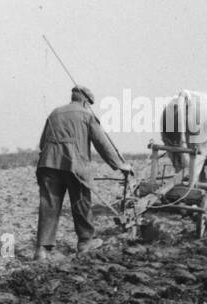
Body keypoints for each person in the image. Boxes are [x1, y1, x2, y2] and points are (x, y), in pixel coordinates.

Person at [34, 84, 133, 258]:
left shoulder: (54, 113)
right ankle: (85, 242)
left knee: (49, 205)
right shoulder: (87, 114)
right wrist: (119, 165)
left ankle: (42, 250)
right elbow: (101, 143)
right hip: (74, 165)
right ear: (86, 101)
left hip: (48, 164)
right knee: (81, 201)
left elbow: (42, 143)